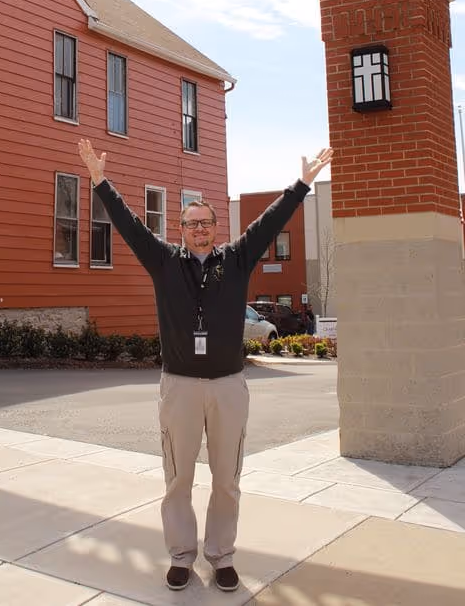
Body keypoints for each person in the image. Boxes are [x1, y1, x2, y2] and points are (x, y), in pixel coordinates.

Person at [77, 138, 333, 593]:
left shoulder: (235, 259)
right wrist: (100, 181)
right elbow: (131, 226)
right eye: (191, 223)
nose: (199, 229)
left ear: (216, 227)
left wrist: (303, 183)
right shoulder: (164, 261)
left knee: (226, 479)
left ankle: (222, 555)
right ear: (181, 229)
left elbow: (269, 222)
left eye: (206, 223)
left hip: (229, 386)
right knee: (178, 478)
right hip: (179, 386)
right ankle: (180, 555)